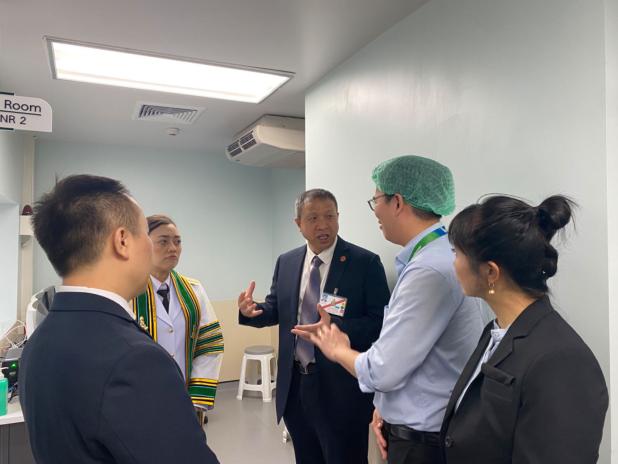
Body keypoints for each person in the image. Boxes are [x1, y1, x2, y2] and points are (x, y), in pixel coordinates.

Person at [293, 156, 484, 464]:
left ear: (397, 202)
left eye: (376, 200)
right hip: (426, 424)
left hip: (426, 439)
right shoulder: (441, 254)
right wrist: (383, 405)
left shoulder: (427, 271)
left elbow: (382, 370)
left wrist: (336, 347)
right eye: (313, 218)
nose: (376, 212)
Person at [19, 175, 219, 464]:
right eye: (146, 236)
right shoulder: (137, 361)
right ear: (122, 241)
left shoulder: (38, 341)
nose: (166, 249)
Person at [439, 195, 608, 463]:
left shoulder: (561, 360)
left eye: (456, 253)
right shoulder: (497, 331)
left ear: (491, 272)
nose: (454, 264)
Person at [238, 188, 390, 464]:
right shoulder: (287, 262)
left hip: (341, 389)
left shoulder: (364, 263)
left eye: (329, 216)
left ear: (338, 218)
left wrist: (335, 328)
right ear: (298, 224)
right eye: (313, 218)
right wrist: (252, 311)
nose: (323, 225)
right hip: (296, 385)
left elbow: (379, 323)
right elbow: (276, 308)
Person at [132, 215, 224, 423]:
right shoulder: (127, 293)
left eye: (177, 241)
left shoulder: (193, 290)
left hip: (187, 401)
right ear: (143, 244)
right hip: (139, 404)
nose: (172, 248)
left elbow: (210, 343)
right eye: (163, 241)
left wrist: (196, 400)